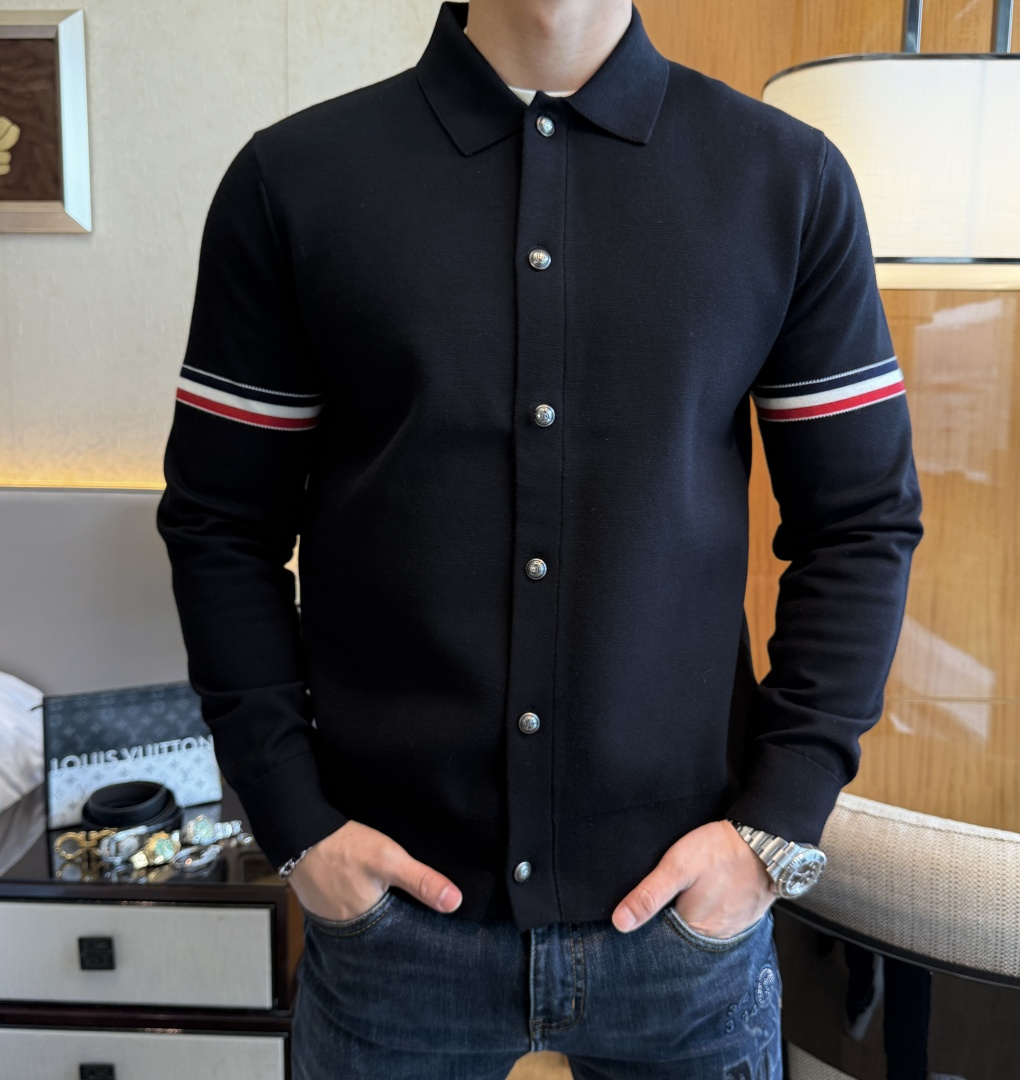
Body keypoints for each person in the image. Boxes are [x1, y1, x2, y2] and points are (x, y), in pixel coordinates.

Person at [156, 1, 923, 1076]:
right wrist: (294, 821)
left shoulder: (787, 180)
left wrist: (773, 829)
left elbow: (860, 520)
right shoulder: (292, 181)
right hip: (388, 927)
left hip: (686, 929)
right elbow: (221, 523)